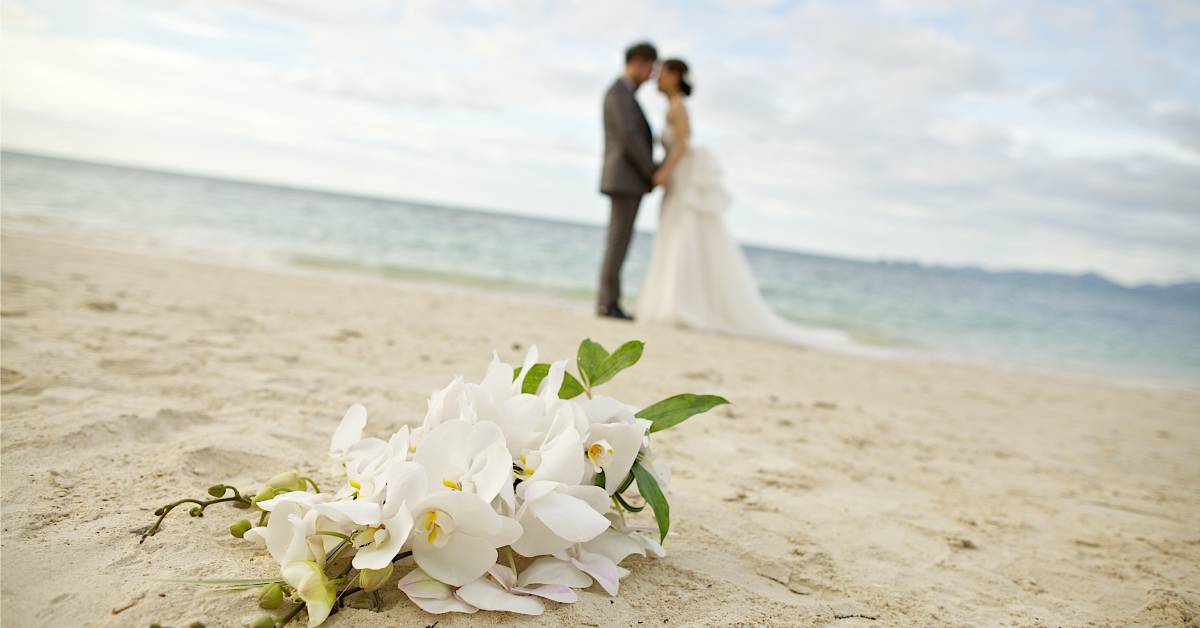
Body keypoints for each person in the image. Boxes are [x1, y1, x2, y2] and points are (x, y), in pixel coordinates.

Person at [637, 58, 832, 346]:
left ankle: (678, 305)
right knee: (677, 240)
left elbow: (682, 144)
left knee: (683, 240)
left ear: (676, 76)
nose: (656, 79)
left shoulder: (678, 108)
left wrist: (663, 172)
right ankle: (672, 303)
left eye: (661, 73)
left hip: (681, 183)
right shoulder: (673, 107)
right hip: (679, 183)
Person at [597, 41, 658, 320]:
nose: (650, 76)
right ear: (637, 62)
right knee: (618, 240)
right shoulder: (619, 92)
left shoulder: (624, 93)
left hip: (626, 178)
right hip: (624, 178)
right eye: (649, 68)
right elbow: (630, 137)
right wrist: (651, 170)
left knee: (619, 240)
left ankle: (609, 300)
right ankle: (608, 302)